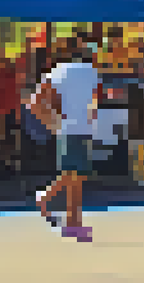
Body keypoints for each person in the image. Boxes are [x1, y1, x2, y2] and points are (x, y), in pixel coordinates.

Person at [32, 38, 104, 242]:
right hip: (82, 127)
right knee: (76, 175)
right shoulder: (91, 71)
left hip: (67, 128)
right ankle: (73, 222)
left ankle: (52, 202)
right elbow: (96, 99)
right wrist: (92, 118)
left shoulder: (57, 71)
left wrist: (53, 123)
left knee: (73, 173)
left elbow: (36, 101)